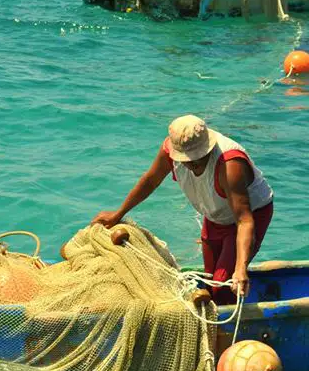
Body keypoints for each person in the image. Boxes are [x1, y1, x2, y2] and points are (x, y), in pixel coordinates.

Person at [92, 115, 273, 303]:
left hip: (248, 216)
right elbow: (150, 181)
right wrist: (118, 213)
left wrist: (240, 268)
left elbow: (244, 220)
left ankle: (231, 327)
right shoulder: (170, 151)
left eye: (197, 158)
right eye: (187, 159)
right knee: (210, 282)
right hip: (215, 214)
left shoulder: (230, 164)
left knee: (222, 287)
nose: (192, 165)